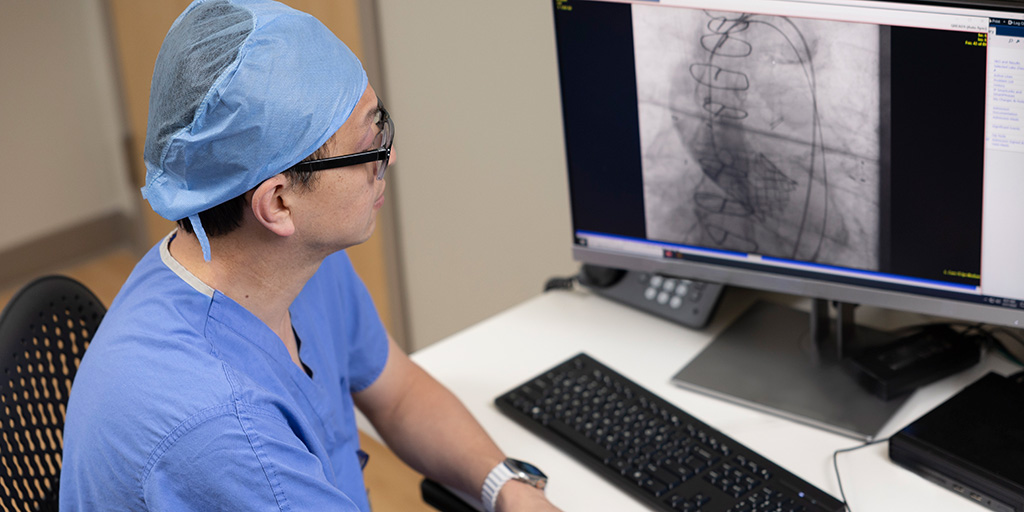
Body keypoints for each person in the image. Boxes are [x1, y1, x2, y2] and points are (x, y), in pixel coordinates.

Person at [59, 1, 561, 511]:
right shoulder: (225, 433)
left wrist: (507, 488)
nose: (390, 157)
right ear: (278, 203)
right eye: (371, 143)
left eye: (381, 123)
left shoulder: (291, 261)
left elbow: (398, 392)